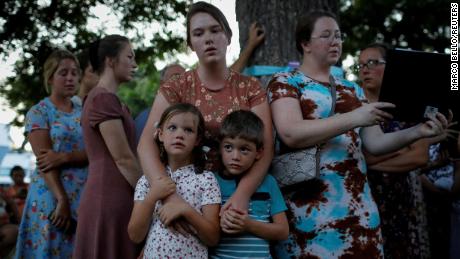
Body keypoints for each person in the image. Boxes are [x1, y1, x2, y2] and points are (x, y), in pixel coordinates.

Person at [267, 11, 448, 258]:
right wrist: (355, 117)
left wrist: (418, 132)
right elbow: (291, 133)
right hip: (307, 210)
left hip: (358, 209)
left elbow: (375, 143)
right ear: (305, 43)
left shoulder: (352, 89)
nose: (335, 41)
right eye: (326, 35)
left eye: (339, 36)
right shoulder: (285, 81)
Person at [137, 1, 273, 228]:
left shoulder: (250, 87)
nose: (208, 38)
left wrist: (242, 195)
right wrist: (170, 197)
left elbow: (266, 146)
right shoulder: (176, 87)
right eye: (198, 33)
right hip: (185, 197)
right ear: (191, 44)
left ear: (228, 37)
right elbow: (146, 144)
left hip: (237, 198)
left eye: (215, 30)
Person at [134, 22, 264, 144]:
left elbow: (227, 78)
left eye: (183, 76)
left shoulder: (193, 104)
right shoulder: (147, 117)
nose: (181, 81)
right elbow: (145, 150)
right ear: (162, 84)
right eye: (175, 77)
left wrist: (250, 45)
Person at [358, 43, 432, 258]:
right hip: (366, 199)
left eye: (372, 62)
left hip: (403, 200)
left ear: (390, 67)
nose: (365, 69)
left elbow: (419, 156)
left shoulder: (410, 105)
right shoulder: (353, 106)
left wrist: (370, 162)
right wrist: (399, 150)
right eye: (361, 65)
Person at [73, 34, 142, 259]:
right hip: (109, 198)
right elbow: (122, 158)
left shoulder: (104, 98)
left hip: (112, 195)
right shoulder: (103, 99)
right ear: (111, 61)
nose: (135, 64)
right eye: (129, 57)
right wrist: (152, 196)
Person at [15, 49, 88, 258]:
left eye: (74, 73)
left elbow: (97, 152)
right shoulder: (39, 112)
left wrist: (66, 157)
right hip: (53, 195)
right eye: (63, 73)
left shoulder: (83, 108)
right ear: (50, 77)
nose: (70, 78)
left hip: (83, 193)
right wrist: (61, 200)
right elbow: (45, 162)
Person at [128, 103, 221, 258]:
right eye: (172, 128)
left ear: (197, 139)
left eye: (188, 130)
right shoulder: (147, 181)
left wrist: (186, 210)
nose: (179, 134)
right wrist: (152, 196)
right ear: (160, 134)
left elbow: (212, 238)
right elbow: (135, 235)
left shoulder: (206, 180)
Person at [210, 110, 288, 258]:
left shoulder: (268, 182)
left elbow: (283, 231)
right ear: (220, 148)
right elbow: (206, 229)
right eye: (228, 147)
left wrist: (248, 225)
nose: (235, 156)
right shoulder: (211, 182)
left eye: (244, 149)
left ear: (259, 153)